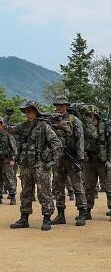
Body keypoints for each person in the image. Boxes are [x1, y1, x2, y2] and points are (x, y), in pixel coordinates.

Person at [7, 101, 62, 231]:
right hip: (26, 164)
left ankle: (47, 219)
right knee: (26, 192)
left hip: (40, 165)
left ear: (36, 112)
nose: (27, 114)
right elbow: (8, 129)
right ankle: (24, 218)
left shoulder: (44, 126)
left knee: (44, 192)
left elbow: (56, 143)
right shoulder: (24, 126)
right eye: (26, 111)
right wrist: (7, 116)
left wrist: (54, 160)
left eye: (30, 111)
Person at [50, 96, 88, 226]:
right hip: (58, 159)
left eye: (61, 105)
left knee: (77, 185)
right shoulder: (51, 120)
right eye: (57, 105)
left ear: (67, 106)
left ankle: (83, 212)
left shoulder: (74, 120)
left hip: (72, 158)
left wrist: (80, 158)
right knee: (58, 187)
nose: (59, 107)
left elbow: (80, 140)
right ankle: (60, 214)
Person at [83, 110, 107, 219]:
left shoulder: (105, 128)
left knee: (107, 186)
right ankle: (88, 210)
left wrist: (109, 160)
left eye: (94, 118)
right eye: (91, 118)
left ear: (98, 118)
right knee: (89, 187)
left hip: (102, 162)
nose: (92, 120)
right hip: (90, 162)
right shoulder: (86, 130)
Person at [0, 117, 18, 205]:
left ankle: (12, 196)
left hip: (6, 160)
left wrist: (13, 159)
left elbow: (14, 148)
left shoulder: (8, 134)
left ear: (3, 124)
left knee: (9, 178)